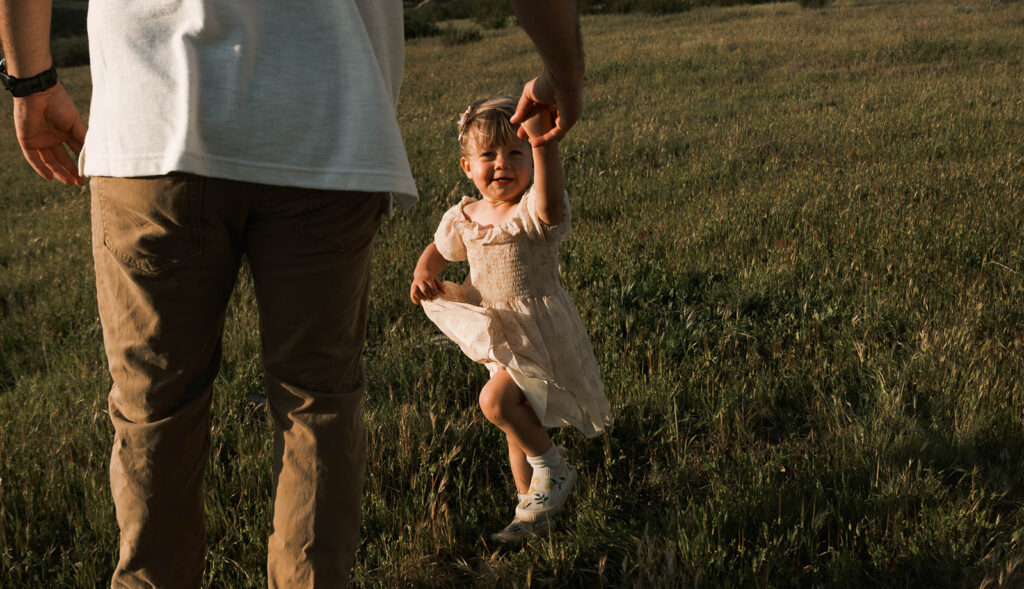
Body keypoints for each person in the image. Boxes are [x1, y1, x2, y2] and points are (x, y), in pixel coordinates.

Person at [1, 0, 584, 584]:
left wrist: (30, 81)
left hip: (151, 120)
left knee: (155, 408)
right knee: (316, 405)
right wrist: (563, 69)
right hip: (327, 119)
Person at [409, 96, 611, 543]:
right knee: (515, 424)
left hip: (537, 330)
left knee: (495, 403)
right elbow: (440, 251)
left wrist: (543, 143)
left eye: (515, 153)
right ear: (467, 167)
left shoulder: (533, 211)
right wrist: (426, 272)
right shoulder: (465, 215)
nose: (502, 164)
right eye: (488, 155)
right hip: (496, 332)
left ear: (533, 163)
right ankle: (532, 514)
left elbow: (552, 199)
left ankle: (554, 471)